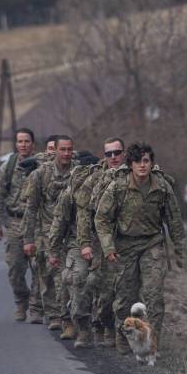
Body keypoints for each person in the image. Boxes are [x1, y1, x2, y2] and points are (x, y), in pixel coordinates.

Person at [94, 142, 184, 354]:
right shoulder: (118, 186)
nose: (142, 165)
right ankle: (123, 335)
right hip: (125, 245)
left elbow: (175, 221)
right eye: (137, 161)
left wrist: (180, 250)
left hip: (152, 244)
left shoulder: (161, 187)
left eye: (146, 161)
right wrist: (108, 247)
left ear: (151, 163)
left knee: (154, 295)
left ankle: (151, 344)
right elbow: (102, 219)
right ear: (130, 164)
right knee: (125, 297)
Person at [75, 137, 126, 347]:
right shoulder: (95, 177)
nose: (113, 157)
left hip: (128, 243)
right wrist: (85, 242)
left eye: (117, 152)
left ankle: (123, 335)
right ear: (103, 155)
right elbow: (83, 211)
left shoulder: (135, 174)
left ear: (124, 153)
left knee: (125, 291)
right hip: (101, 243)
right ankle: (104, 326)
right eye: (108, 154)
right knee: (102, 292)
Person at [23, 135, 77, 331]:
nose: (66, 154)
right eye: (62, 149)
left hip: (72, 232)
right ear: (55, 150)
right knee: (48, 274)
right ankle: (55, 315)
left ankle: (68, 315)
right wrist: (28, 239)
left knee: (69, 276)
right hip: (47, 232)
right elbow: (31, 209)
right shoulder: (40, 174)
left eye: (69, 150)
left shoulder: (78, 172)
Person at [48, 151, 100, 347]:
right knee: (77, 284)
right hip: (76, 244)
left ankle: (107, 329)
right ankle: (83, 330)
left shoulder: (108, 189)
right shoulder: (70, 193)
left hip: (105, 245)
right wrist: (53, 251)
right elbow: (59, 222)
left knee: (106, 290)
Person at [0, 128, 36, 322]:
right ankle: (21, 300)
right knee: (15, 269)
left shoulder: (40, 166)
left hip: (37, 224)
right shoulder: (8, 167)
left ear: (32, 144)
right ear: (16, 144)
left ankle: (35, 306)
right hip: (14, 222)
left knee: (40, 269)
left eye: (27, 141)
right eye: (20, 141)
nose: (23, 145)